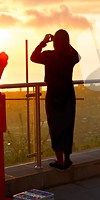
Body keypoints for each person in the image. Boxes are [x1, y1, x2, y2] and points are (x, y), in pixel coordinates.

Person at [31, 30, 80, 170]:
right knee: (67, 125)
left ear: (54, 42)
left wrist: (43, 42)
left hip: (54, 94)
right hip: (68, 94)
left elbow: (33, 57)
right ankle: (67, 158)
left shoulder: (48, 56)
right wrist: (67, 45)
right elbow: (78, 56)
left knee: (55, 126)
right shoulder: (70, 56)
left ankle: (60, 161)